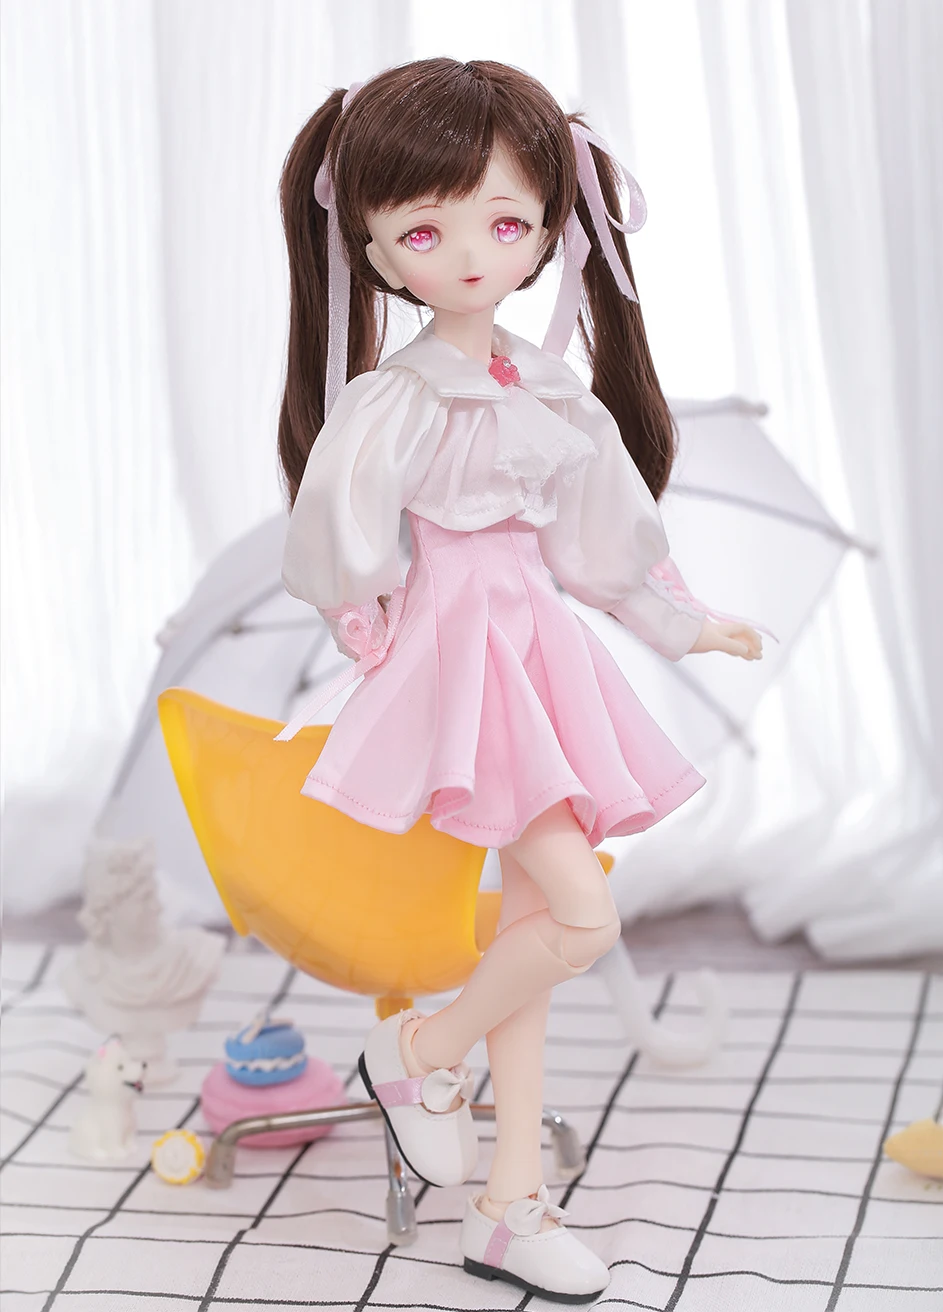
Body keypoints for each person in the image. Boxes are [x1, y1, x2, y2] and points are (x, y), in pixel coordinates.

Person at [274, 57, 762, 1304]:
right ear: (373, 246)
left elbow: (600, 543)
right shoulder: (395, 399)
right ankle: (422, 1052)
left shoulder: (548, 389)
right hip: (463, 655)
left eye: (504, 224)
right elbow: (337, 536)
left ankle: (508, 1205)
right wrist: (372, 626)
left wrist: (685, 622)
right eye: (423, 231)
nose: (469, 256)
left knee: (532, 928)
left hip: (539, 648)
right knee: (581, 918)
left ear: (550, 230)